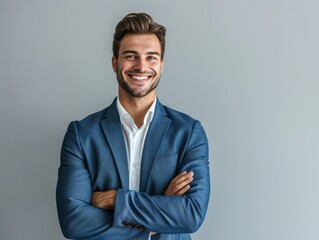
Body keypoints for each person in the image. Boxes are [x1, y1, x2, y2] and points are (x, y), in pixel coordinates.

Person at [56, 13, 210, 240]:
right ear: (114, 63)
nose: (141, 66)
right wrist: (160, 213)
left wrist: (115, 200)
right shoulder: (81, 135)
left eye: (151, 58)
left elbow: (192, 214)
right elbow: (73, 222)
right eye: (131, 56)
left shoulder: (188, 132)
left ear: (162, 65)